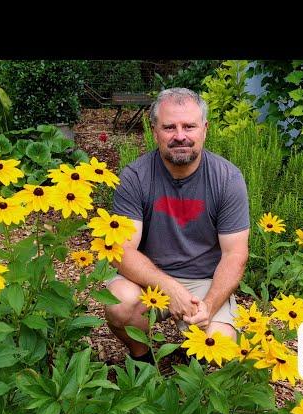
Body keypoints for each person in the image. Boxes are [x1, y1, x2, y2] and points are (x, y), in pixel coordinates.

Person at [105, 88, 250, 364]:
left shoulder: (227, 179)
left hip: (205, 283)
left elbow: (235, 255)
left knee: (220, 346)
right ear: (154, 131)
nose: (180, 135)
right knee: (119, 302)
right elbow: (122, 251)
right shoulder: (136, 177)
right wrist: (169, 288)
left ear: (205, 129)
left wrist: (207, 306)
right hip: (148, 281)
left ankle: (195, 363)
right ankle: (144, 359)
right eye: (169, 127)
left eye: (189, 126)